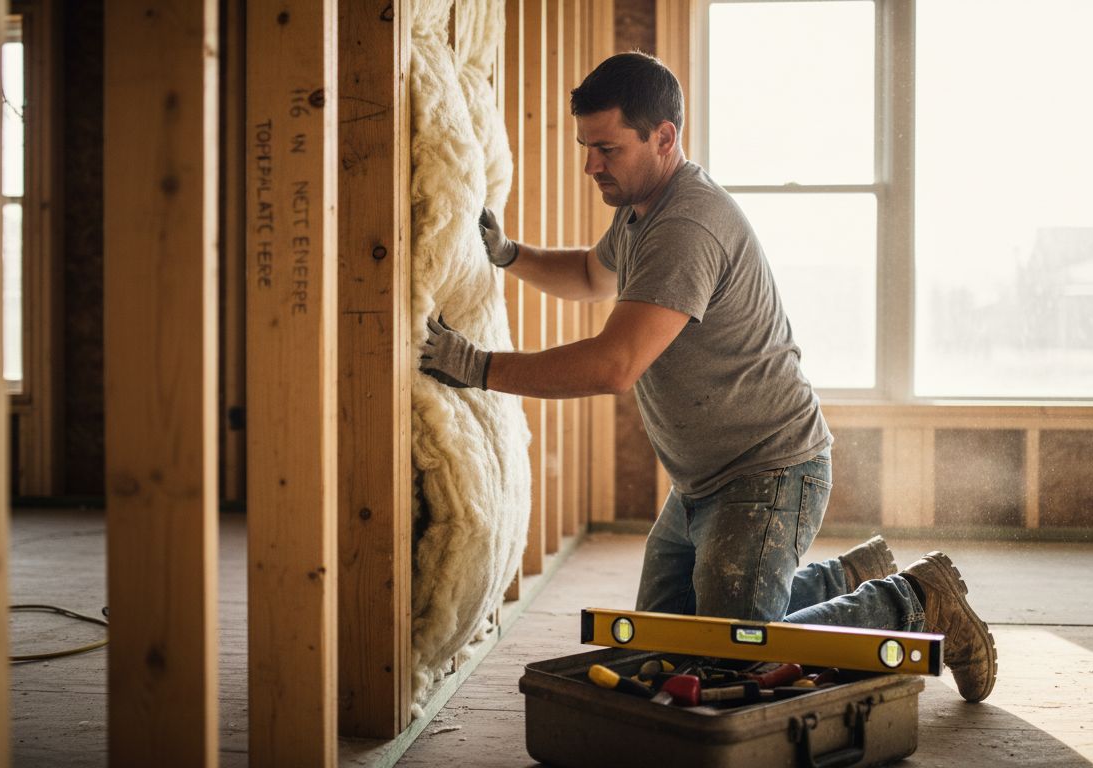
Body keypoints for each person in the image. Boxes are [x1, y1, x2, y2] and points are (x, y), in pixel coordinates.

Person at [419, 51, 997, 703]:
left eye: (607, 149)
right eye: (586, 148)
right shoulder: (639, 210)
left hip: (767, 472)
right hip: (701, 480)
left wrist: (478, 367)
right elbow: (587, 274)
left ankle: (915, 599)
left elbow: (615, 364)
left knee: (730, 662)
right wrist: (509, 255)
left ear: (664, 137)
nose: (591, 166)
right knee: (659, 650)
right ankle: (844, 579)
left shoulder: (686, 226)